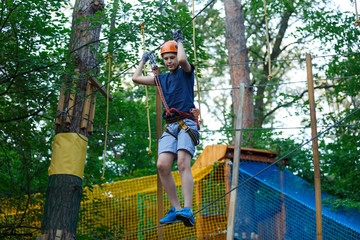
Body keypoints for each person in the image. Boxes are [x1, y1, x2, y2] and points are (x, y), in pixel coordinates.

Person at [132, 29, 200, 227]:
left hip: (186, 124)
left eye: (172, 57)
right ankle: (176, 209)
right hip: (171, 127)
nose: (170, 61)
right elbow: (136, 79)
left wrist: (179, 41)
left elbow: (183, 61)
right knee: (162, 165)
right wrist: (143, 60)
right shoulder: (161, 80)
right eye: (166, 58)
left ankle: (188, 208)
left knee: (182, 163)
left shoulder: (186, 72)